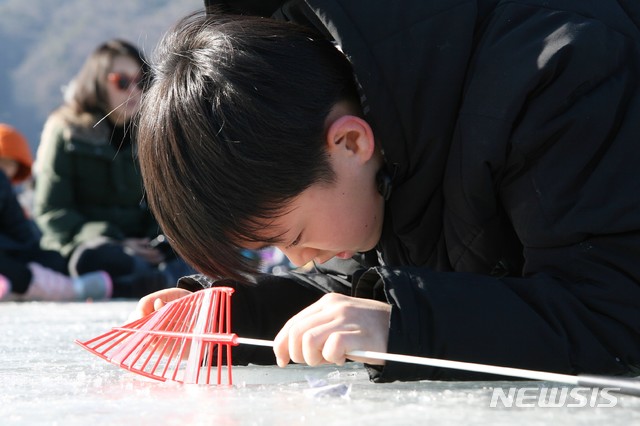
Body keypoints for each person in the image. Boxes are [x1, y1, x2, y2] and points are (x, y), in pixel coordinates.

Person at [131, 1, 640, 383]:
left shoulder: (562, 75)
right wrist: (231, 316)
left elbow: (615, 318)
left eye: (296, 235)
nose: (300, 260)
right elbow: (368, 284)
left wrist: (402, 328)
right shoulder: (403, 116)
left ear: (350, 142)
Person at [33, 39, 194, 299]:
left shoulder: (151, 131)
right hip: (87, 243)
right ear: (97, 82)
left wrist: (158, 240)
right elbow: (52, 211)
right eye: (122, 81)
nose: (134, 91)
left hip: (143, 245)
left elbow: (165, 202)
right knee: (96, 258)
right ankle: (156, 281)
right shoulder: (65, 129)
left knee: (191, 247)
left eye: (141, 82)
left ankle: (149, 279)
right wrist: (117, 240)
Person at [0, 123, 111, 301]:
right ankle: (72, 289)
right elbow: (21, 232)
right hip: (13, 255)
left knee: (51, 261)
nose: (5, 169)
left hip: (15, 252)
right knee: (33, 267)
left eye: (9, 164)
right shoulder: (2, 182)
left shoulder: (8, 190)